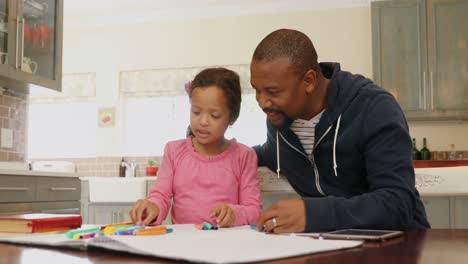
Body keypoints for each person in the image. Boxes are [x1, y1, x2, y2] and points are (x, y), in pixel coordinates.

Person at [250, 29, 430, 233]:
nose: (262, 102)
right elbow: (265, 154)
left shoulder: (374, 107)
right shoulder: (279, 121)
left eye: (273, 92)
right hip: (329, 245)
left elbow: (397, 204)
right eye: (256, 90)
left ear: (308, 81)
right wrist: (214, 150)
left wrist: (313, 214)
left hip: (400, 245)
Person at [130, 68, 261, 227]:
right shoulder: (173, 151)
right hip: (183, 246)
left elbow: (253, 210)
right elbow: (161, 196)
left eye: (214, 115)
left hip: (227, 246)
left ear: (232, 117)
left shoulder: (244, 156)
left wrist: (235, 214)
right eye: (196, 112)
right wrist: (153, 206)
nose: (203, 121)